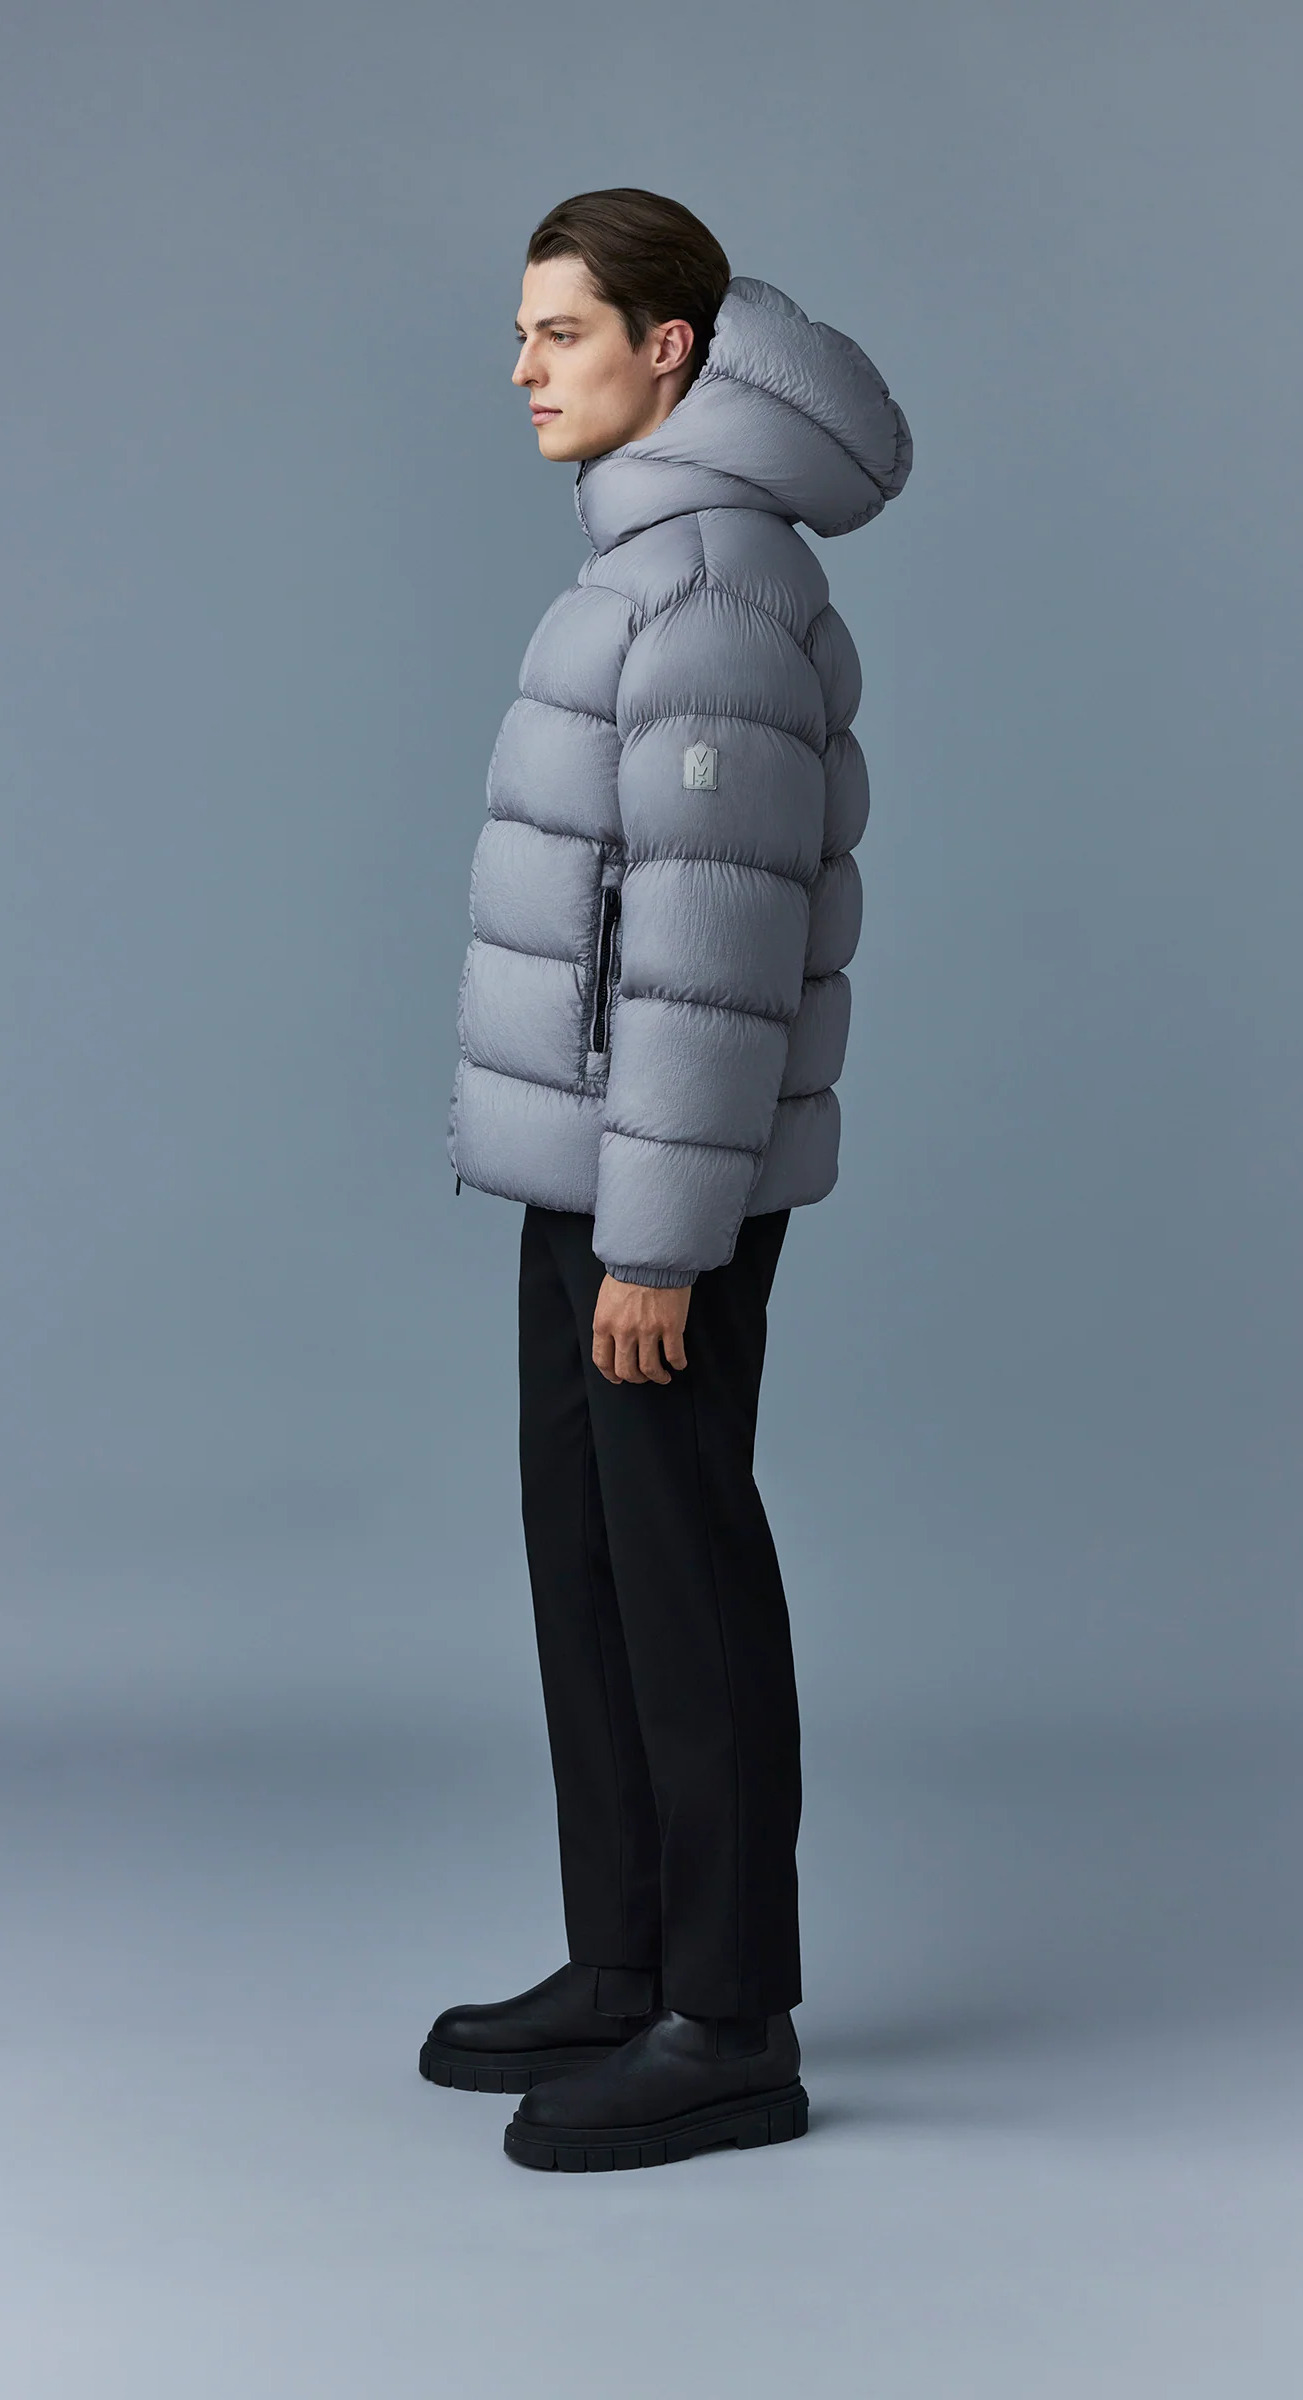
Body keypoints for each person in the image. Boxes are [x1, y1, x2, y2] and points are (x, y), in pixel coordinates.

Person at [426, 188, 912, 2172]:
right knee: (593, 1560)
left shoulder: (712, 584)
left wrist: (660, 1243)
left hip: (658, 1196)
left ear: (669, 348)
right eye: (522, 332)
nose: (524, 369)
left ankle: (729, 2017)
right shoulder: (644, 561)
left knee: (679, 1572)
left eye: (560, 332)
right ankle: (625, 1959)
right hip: (593, 1169)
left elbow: (712, 949)